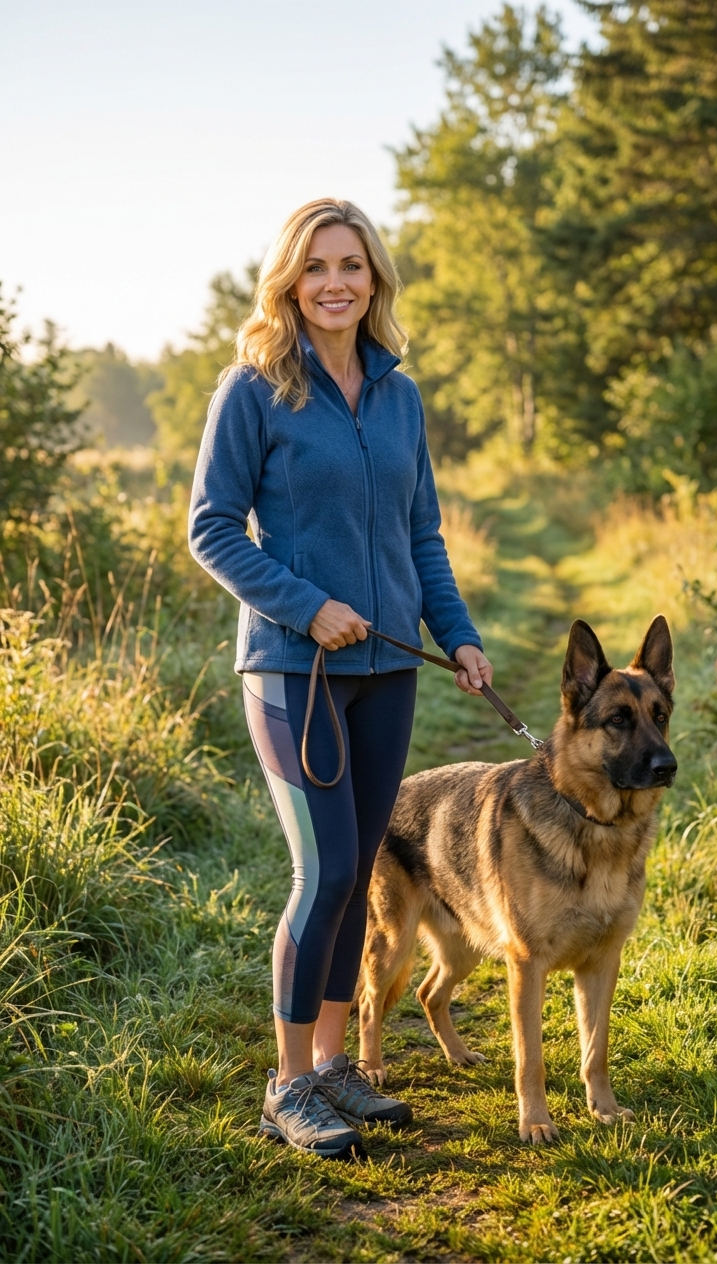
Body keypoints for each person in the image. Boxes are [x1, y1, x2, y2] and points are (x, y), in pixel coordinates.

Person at [188, 198, 492, 1159]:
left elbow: (420, 535)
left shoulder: (399, 397)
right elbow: (210, 529)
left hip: (388, 670)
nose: (334, 283)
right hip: (291, 671)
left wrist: (461, 635)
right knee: (319, 874)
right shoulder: (252, 390)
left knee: (359, 872)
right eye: (316, 266)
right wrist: (305, 605)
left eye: (352, 266)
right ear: (289, 279)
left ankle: (329, 1068)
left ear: (375, 280)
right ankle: (285, 1087)